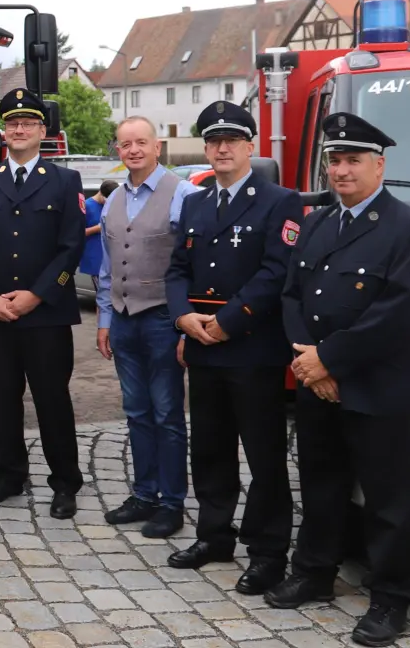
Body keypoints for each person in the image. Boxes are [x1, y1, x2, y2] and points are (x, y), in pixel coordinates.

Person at [267, 112, 410, 648]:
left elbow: (399, 310)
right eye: (333, 160)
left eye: (352, 160)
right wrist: (309, 363)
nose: (340, 170)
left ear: (379, 165)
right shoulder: (316, 222)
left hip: (374, 386)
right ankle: (315, 573)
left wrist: (330, 362)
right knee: (321, 484)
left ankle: (390, 599)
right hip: (318, 381)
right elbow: (292, 295)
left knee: (388, 501)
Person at [164, 102, 300, 594]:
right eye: (213, 141)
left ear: (250, 147)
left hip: (252, 348)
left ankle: (267, 551)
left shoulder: (279, 200)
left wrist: (227, 322)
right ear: (205, 148)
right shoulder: (197, 201)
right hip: (202, 346)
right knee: (211, 448)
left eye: (232, 140)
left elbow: (275, 271)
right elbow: (178, 266)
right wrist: (182, 316)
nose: (222, 148)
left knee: (263, 457)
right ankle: (215, 535)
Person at [0, 89, 86, 517]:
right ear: (3, 131)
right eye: (12, 123)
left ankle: (65, 482)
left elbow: (71, 248)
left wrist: (37, 294)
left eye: (28, 123)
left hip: (46, 313)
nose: (18, 129)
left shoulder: (65, 181)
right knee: (1, 398)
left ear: (42, 132)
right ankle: (10, 475)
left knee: (52, 399)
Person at [96, 115, 203, 538]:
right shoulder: (112, 200)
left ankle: (172, 504)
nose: (134, 150)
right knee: (137, 412)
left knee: (167, 414)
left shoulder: (184, 194)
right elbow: (106, 269)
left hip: (162, 318)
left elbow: (192, 267)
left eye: (142, 142)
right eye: (125, 144)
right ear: (118, 151)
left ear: (158, 147)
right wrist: (104, 320)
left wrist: (183, 323)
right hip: (123, 320)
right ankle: (144, 494)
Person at [81, 180, 118, 291]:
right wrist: (97, 228)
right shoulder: (87, 206)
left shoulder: (111, 205)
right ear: (101, 193)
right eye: (107, 199)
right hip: (96, 258)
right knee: (103, 294)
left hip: (111, 257)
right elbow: (76, 233)